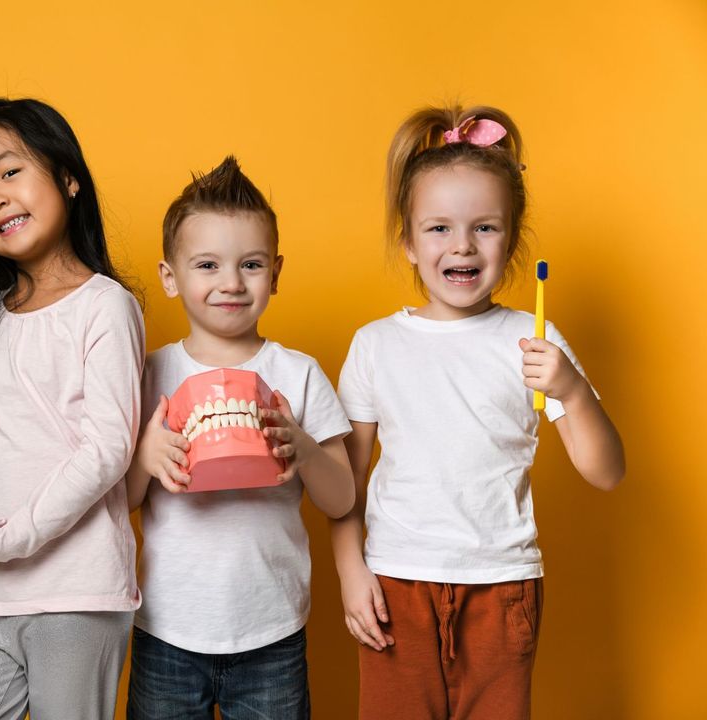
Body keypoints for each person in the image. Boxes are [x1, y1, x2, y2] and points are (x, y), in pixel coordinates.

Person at [333, 105, 625, 720]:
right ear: (407, 241)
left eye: (484, 228)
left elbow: (607, 472)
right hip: (394, 584)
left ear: (511, 239)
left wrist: (571, 391)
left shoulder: (534, 339)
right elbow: (345, 485)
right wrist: (349, 570)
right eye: (438, 228)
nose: (461, 245)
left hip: (502, 587)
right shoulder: (375, 345)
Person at [0, 97, 143, 720]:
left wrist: (0, 539)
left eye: (10, 171)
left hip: (76, 592)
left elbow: (106, 453)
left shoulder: (105, 307)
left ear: (68, 178)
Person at [126, 156, 355, 720]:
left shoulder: (297, 373)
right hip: (166, 630)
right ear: (169, 276)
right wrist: (144, 460)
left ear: (275, 273)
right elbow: (119, 500)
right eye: (207, 264)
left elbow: (343, 498)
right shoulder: (146, 374)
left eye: (250, 264)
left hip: (271, 631)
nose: (231, 283)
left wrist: (301, 448)